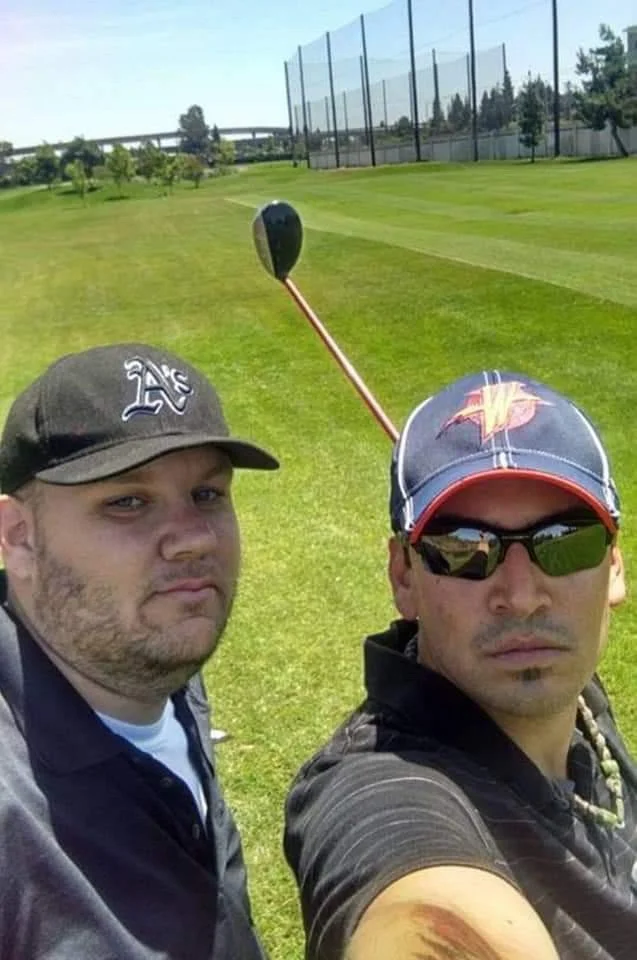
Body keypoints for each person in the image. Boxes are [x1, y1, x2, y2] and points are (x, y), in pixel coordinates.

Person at [284, 371, 637, 960]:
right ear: (404, 577)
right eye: (465, 550)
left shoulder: (570, 696)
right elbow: (417, 903)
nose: (522, 596)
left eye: (564, 542)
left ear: (614, 567)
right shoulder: (384, 784)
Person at [0, 343, 279, 959]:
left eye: (208, 495)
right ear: (19, 538)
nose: (194, 539)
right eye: (127, 501)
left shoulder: (145, 663)